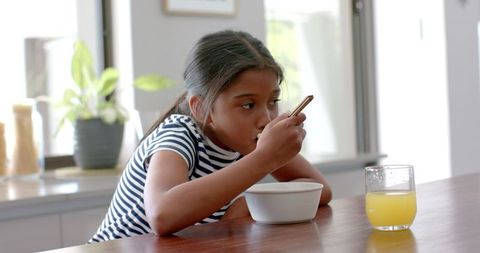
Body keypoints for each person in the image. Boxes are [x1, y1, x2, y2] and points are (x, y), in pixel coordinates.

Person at [89, 30, 332, 243]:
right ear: (202, 109)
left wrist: (248, 203)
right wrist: (264, 159)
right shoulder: (179, 134)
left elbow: (321, 191)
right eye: (248, 105)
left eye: (273, 102)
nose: (266, 119)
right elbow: (162, 215)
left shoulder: (247, 141)